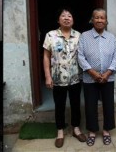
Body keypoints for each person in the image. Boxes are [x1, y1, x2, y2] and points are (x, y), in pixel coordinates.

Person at [43, 8, 86, 148]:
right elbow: (46, 56)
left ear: (73, 20)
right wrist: (48, 76)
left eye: (69, 15)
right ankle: (60, 132)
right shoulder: (51, 35)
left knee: (75, 104)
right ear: (58, 20)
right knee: (59, 106)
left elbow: (84, 56)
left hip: (75, 78)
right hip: (57, 79)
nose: (66, 18)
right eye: (63, 15)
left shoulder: (79, 36)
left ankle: (76, 129)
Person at [77, 8, 116, 146]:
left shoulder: (111, 38)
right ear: (92, 20)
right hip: (90, 78)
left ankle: (106, 130)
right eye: (97, 17)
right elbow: (80, 56)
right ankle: (92, 131)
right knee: (90, 105)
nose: (99, 20)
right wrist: (93, 73)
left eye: (102, 18)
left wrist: (107, 73)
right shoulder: (84, 36)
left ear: (106, 21)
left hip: (108, 78)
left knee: (108, 104)